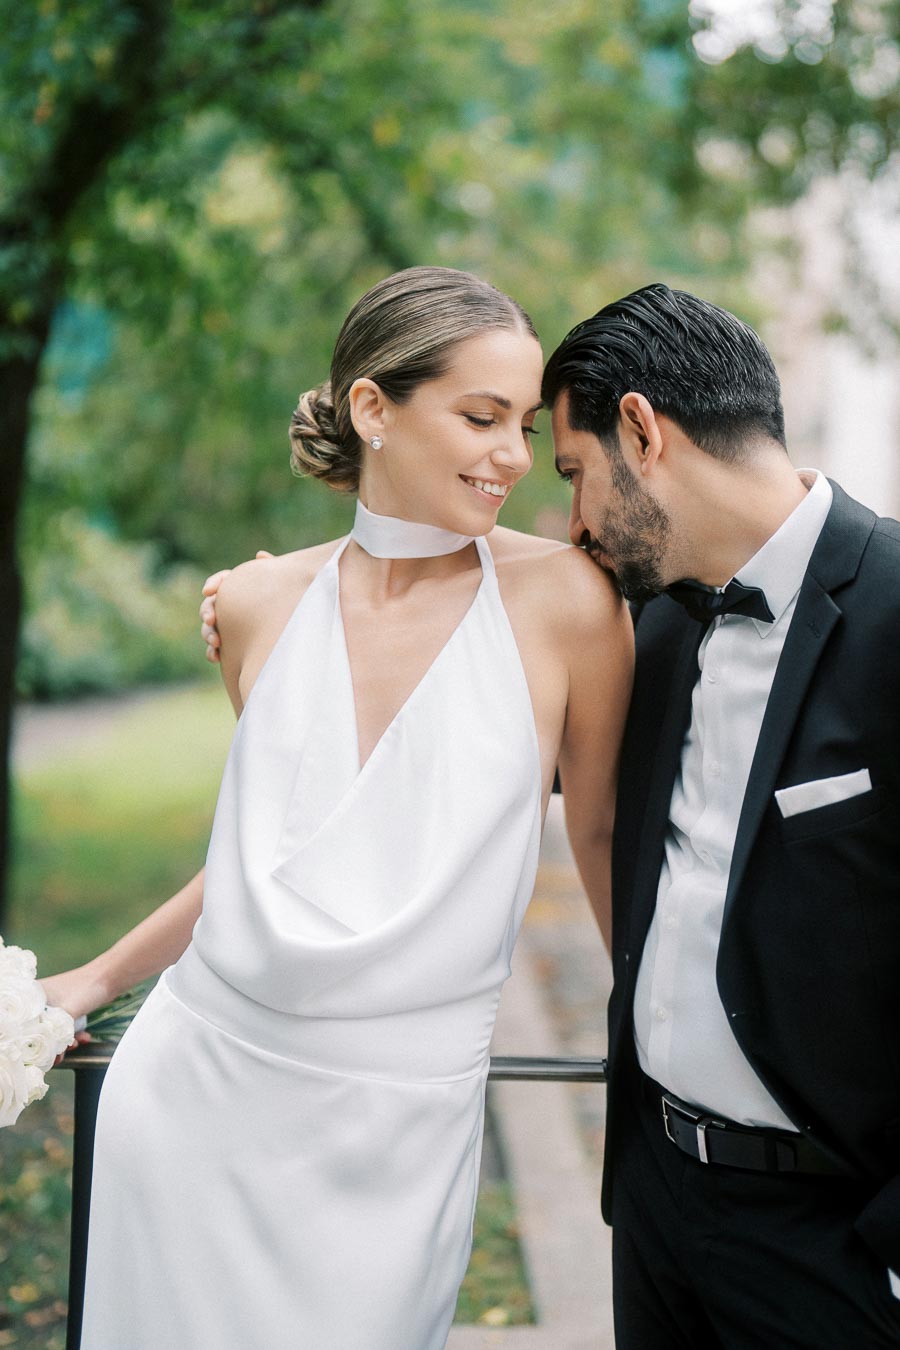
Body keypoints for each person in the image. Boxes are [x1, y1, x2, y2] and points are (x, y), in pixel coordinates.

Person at [41, 266, 632, 1350]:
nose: (512, 454)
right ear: (373, 408)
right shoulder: (259, 602)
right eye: (480, 416)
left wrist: (643, 1035)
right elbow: (274, 857)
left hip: (397, 1132)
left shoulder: (568, 604)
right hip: (195, 1101)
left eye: (524, 427)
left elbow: (596, 835)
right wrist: (97, 976)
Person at [539, 283, 900, 1348]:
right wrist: (290, 592)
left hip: (831, 1243)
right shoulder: (643, 625)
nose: (574, 527)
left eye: (574, 475)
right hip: (653, 1206)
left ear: (642, 431)